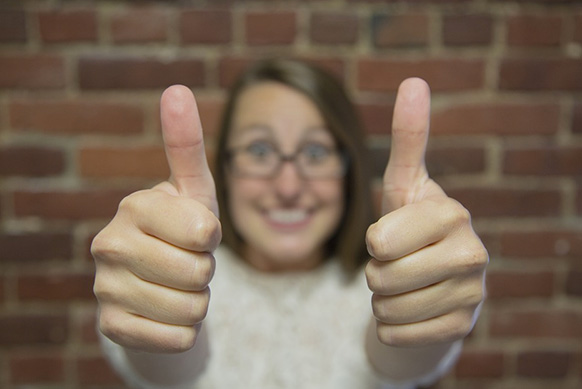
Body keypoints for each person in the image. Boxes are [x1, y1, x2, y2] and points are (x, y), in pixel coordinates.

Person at [91, 59, 488, 389]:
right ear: (225, 169)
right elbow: (168, 367)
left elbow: (402, 357)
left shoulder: (380, 287)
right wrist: (158, 307)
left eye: (316, 151)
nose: (288, 186)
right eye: (259, 150)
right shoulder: (174, 277)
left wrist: (421, 292)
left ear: (348, 168)